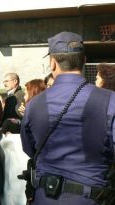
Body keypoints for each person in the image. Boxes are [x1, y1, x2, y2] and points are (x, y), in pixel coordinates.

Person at [21, 31, 115, 205]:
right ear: (84, 61)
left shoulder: (34, 105)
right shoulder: (110, 100)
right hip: (94, 197)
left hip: (45, 197)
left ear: (52, 63)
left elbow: (30, 149)